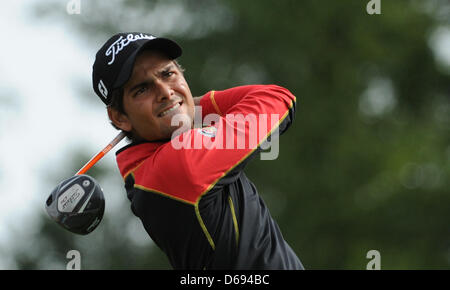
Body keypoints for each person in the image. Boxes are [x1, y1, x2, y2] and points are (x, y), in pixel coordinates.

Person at [92, 32, 303, 270]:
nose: (164, 91)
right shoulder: (179, 163)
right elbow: (277, 99)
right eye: (142, 89)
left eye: (168, 74)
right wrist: (189, 106)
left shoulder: (144, 174)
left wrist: (179, 107)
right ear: (119, 117)